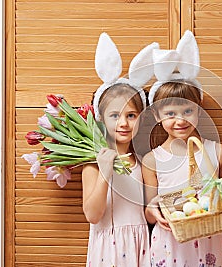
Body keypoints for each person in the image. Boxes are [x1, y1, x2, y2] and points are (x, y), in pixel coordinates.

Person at [142, 31, 222, 267]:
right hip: (171, 243)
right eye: (170, 113)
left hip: (212, 240)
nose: (180, 120)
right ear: (156, 114)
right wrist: (154, 212)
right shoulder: (153, 160)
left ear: (199, 110)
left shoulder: (218, 151)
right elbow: (149, 209)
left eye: (187, 111)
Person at [82, 32, 158, 267]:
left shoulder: (143, 163)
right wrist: (105, 170)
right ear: (101, 119)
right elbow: (93, 216)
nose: (123, 123)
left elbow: (150, 212)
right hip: (106, 251)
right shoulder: (93, 165)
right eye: (114, 116)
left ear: (141, 119)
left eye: (131, 115)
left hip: (140, 247)